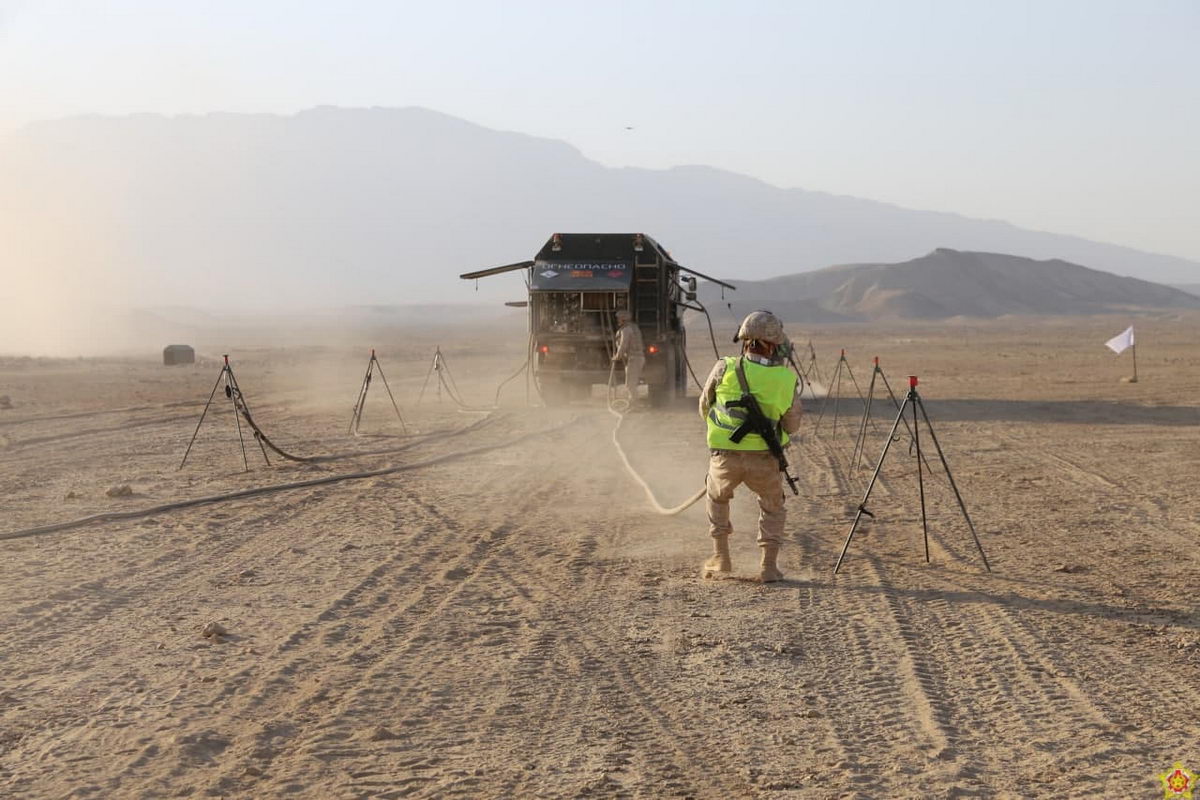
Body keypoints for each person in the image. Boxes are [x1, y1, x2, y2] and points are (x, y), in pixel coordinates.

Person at [700, 310, 803, 582]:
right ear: (773, 344)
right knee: (772, 506)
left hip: (724, 456)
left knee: (717, 497)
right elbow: (792, 426)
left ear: (745, 339)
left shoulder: (724, 367)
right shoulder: (785, 379)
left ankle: (721, 557)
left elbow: (703, 406)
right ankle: (768, 567)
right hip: (764, 459)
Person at [612, 309, 644, 402]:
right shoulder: (633, 327)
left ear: (623, 319)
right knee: (631, 383)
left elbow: (623, 345)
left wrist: (617, 357)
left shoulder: (626, 330)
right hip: (636, 358)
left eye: (619, 318)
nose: (617, 320)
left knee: (630, 384)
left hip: (634, 359)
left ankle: (633, 403)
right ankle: (633, 402)